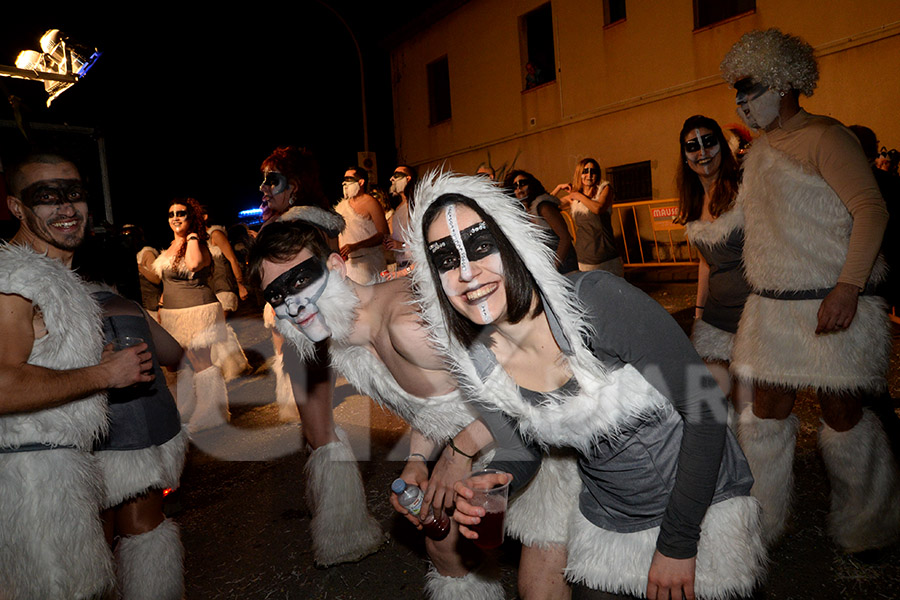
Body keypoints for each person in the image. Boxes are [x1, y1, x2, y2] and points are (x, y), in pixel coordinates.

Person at [408, 172, 766, 600]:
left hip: (697, 508)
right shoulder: (480, 358)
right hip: (608, 520)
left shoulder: (594, 301)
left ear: (514, 243)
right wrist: (493, 476)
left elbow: (705, 408)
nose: (467, 272)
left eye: (482, 246)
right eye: (446, 258)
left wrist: (678, 543)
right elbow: (526, 442)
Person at [248, 206, 578, 599]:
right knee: (442, 547)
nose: (293, 303)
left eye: (301, 278)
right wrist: (419, 461)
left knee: (538, 589)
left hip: (548, 448)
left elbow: (533, 392)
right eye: (277, 294)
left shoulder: (409, 325)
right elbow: (438, 402)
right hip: (483, 448)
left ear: (335, 266)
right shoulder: (347, 343)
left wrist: (458, 453)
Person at [721, 28, 900, 553]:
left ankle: (871, 524)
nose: (742, 100)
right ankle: (761, 523)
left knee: (842, 415)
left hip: (831, 304)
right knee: (768, 412)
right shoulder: (761, 151)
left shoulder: (827, 136)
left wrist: (848, 288)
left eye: (749, 86)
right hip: (775, 311)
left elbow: (872, 209)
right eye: (737, 90)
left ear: (783, 82)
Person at [0, 152, 152, 599]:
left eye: (74, 194)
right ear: (16, 208)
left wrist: (93, 367)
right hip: (29, 480)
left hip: (59, 470)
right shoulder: (14, 277)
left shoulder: (53, 276)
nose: (66, 208)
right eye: (46, 196)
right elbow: (3, 384)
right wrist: (103, 374)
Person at [78, 261, 189, 600]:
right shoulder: (128, 306)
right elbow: (174, 353)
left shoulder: (55, 314)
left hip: (96, 439)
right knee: (145, 531)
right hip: (150, 435)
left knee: (94, 538)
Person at [675, 116, 752, 420]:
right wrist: (698, 315)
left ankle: (753, 466)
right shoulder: (693, 201)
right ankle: (726, 465)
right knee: (711, 403)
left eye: (709, 141)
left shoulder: (743, 191)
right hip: (716, 318)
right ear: (685, 155)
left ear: (722, 144)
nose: (702, 152)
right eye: (692, 146)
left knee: (748, 405)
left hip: (751, 315)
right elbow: (705, 264)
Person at [154, 197, 230, 432]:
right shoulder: (170, 245)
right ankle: (187, 408)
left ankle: (212, 413)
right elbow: (166, 281)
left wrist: (193, 235)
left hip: (197, 312)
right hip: (173, 314)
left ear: (191, 217)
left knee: (201, 362)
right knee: (180, 364)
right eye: (171, 214)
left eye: (181, 213)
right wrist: (160, 307)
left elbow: (195, 264)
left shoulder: (197, 243)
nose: (175, 217)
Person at [555, 159, 623, 276]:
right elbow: (546, 207)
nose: (589, 175)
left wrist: (578, 196)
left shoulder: (604, 189)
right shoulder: (574, 197)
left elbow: (597, 208)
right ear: (579, 173)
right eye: (585, 171)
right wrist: (558, 188)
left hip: (607, 258)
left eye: (593, 171)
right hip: (584, 259)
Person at [504, 169, 576, 273]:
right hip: (546, 270)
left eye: (522, 183)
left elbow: (565, 238)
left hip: (564, 268)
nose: (519, 189)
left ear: (532, 185)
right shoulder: (525, 212)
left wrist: (554, 267)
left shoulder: (543, 207)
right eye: (515, 186)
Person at [335, 165, 390, 284]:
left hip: (369, 263)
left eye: (349, 179)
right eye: (344, 179)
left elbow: (383, 234)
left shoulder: (370, 202)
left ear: (361, 182)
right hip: (349, 265)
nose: (345, 183)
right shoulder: (341, 207)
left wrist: (356, 246)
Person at [384, 164, 418, 271]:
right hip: (401, 265)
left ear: (408, 179)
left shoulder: (416, 204)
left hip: (415, 266)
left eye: (397, 175)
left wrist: (402, 245)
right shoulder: (399, 207)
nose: (392, 179)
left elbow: (421, 240)